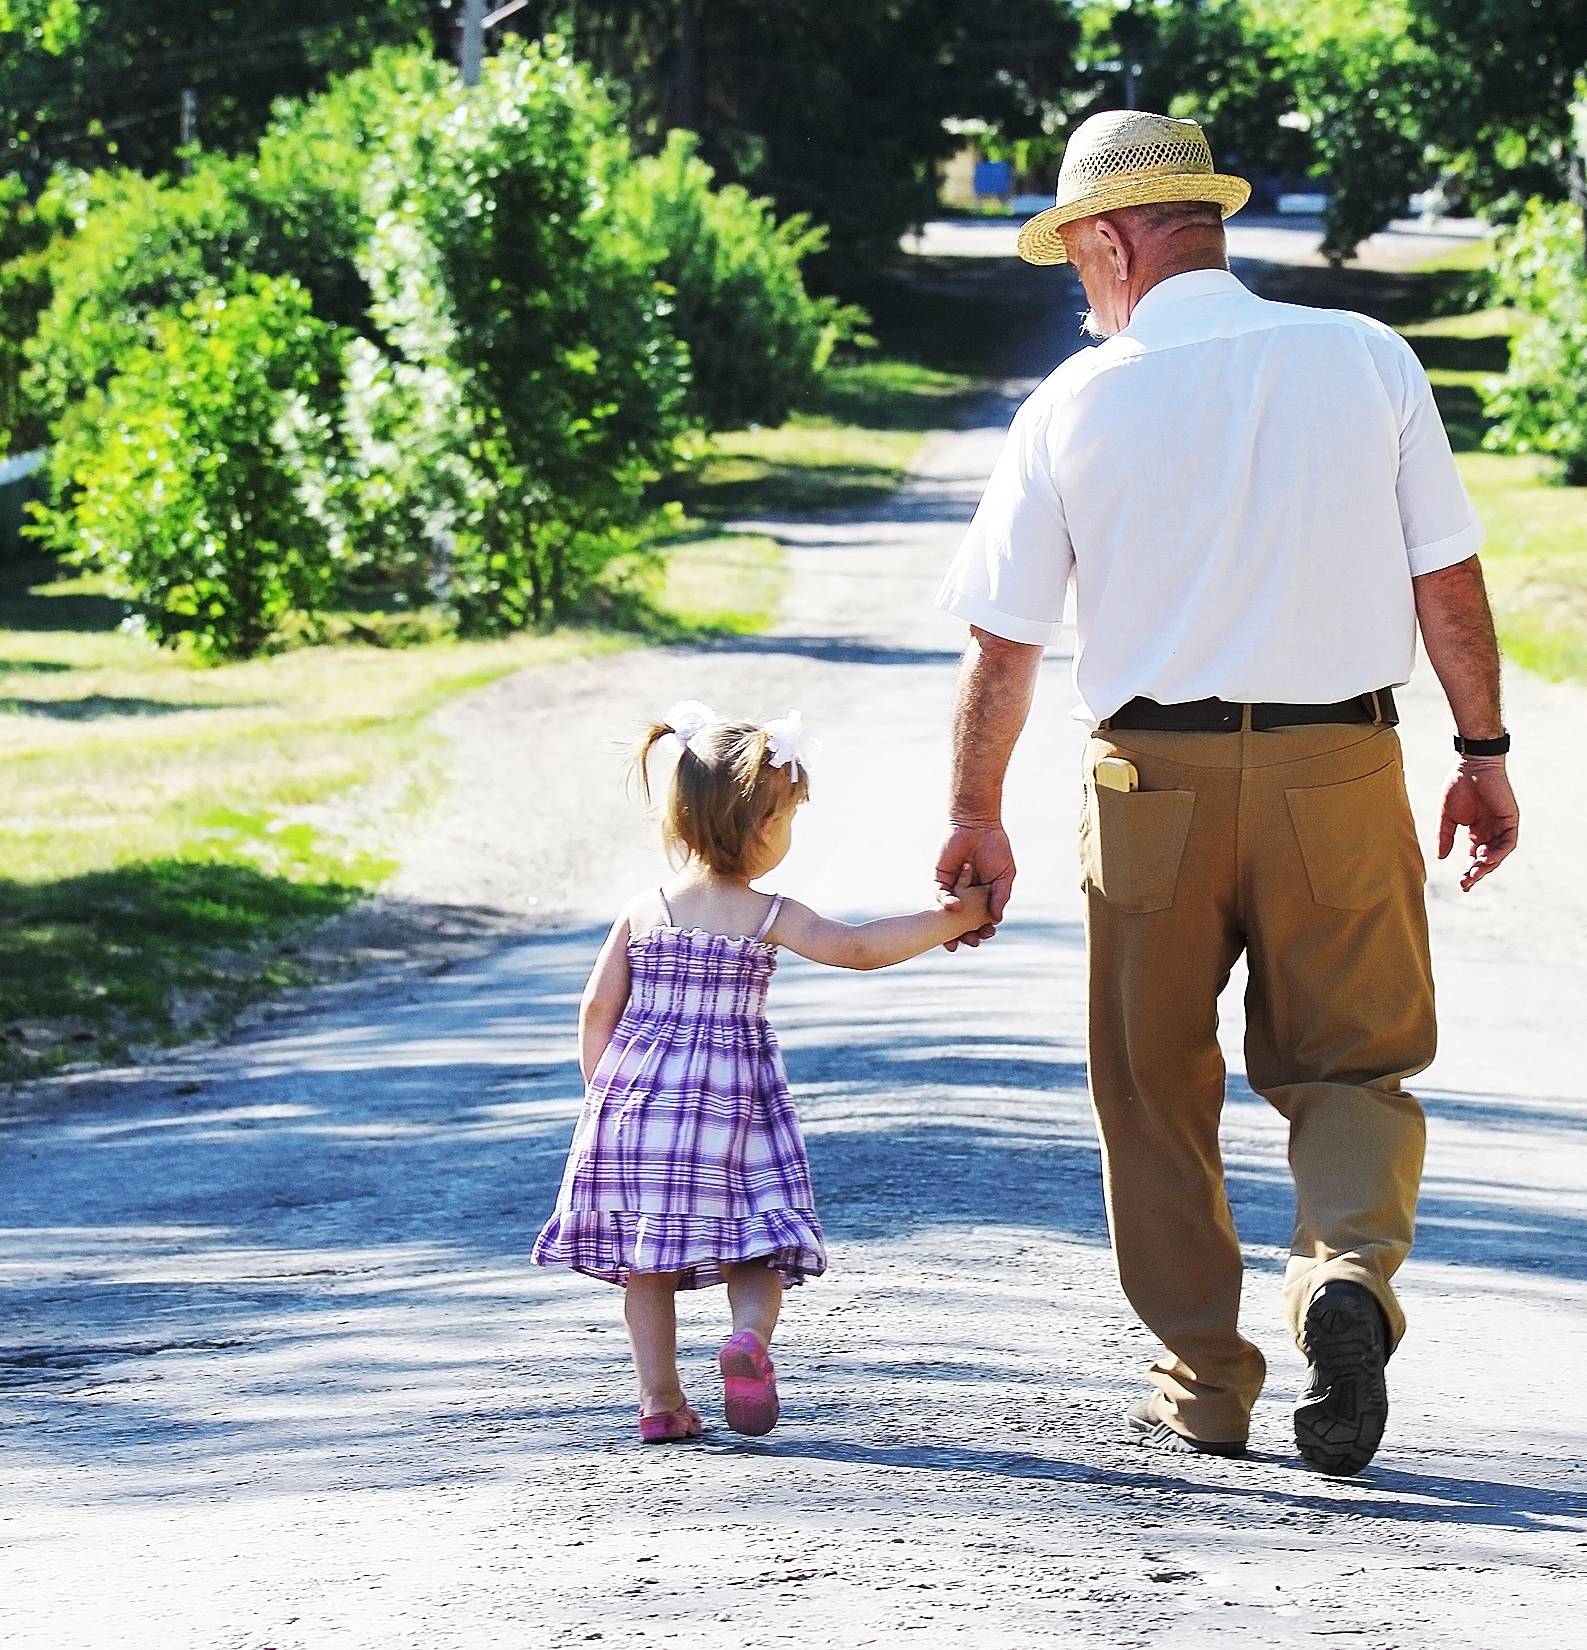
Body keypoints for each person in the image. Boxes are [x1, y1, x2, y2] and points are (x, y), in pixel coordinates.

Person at [932, 111, 1521, 1476]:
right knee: (1352, 1064)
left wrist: (974, 812)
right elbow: (1448, 579)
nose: (1078, 286)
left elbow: (1001, 645)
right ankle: (1342, 1281)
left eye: (1075, 259)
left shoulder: (1071, 403)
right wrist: (1480, 753)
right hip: (1339, 763)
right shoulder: (1364, 358)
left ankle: (1205, 1379)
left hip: (1149, 784)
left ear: (1108, 240)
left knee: (1149, 1085)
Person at [534, 700, 984, 1443]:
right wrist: (954, 919)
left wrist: (602, 1102)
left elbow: (595, 1009)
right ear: (767, 828)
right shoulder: (767, 913)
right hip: (729, 1108)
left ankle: (660, 1402)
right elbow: (859, 947)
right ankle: (747, 1337)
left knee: (647, 1264)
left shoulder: (642, 910)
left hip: (633, 1108)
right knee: (753, 1238)